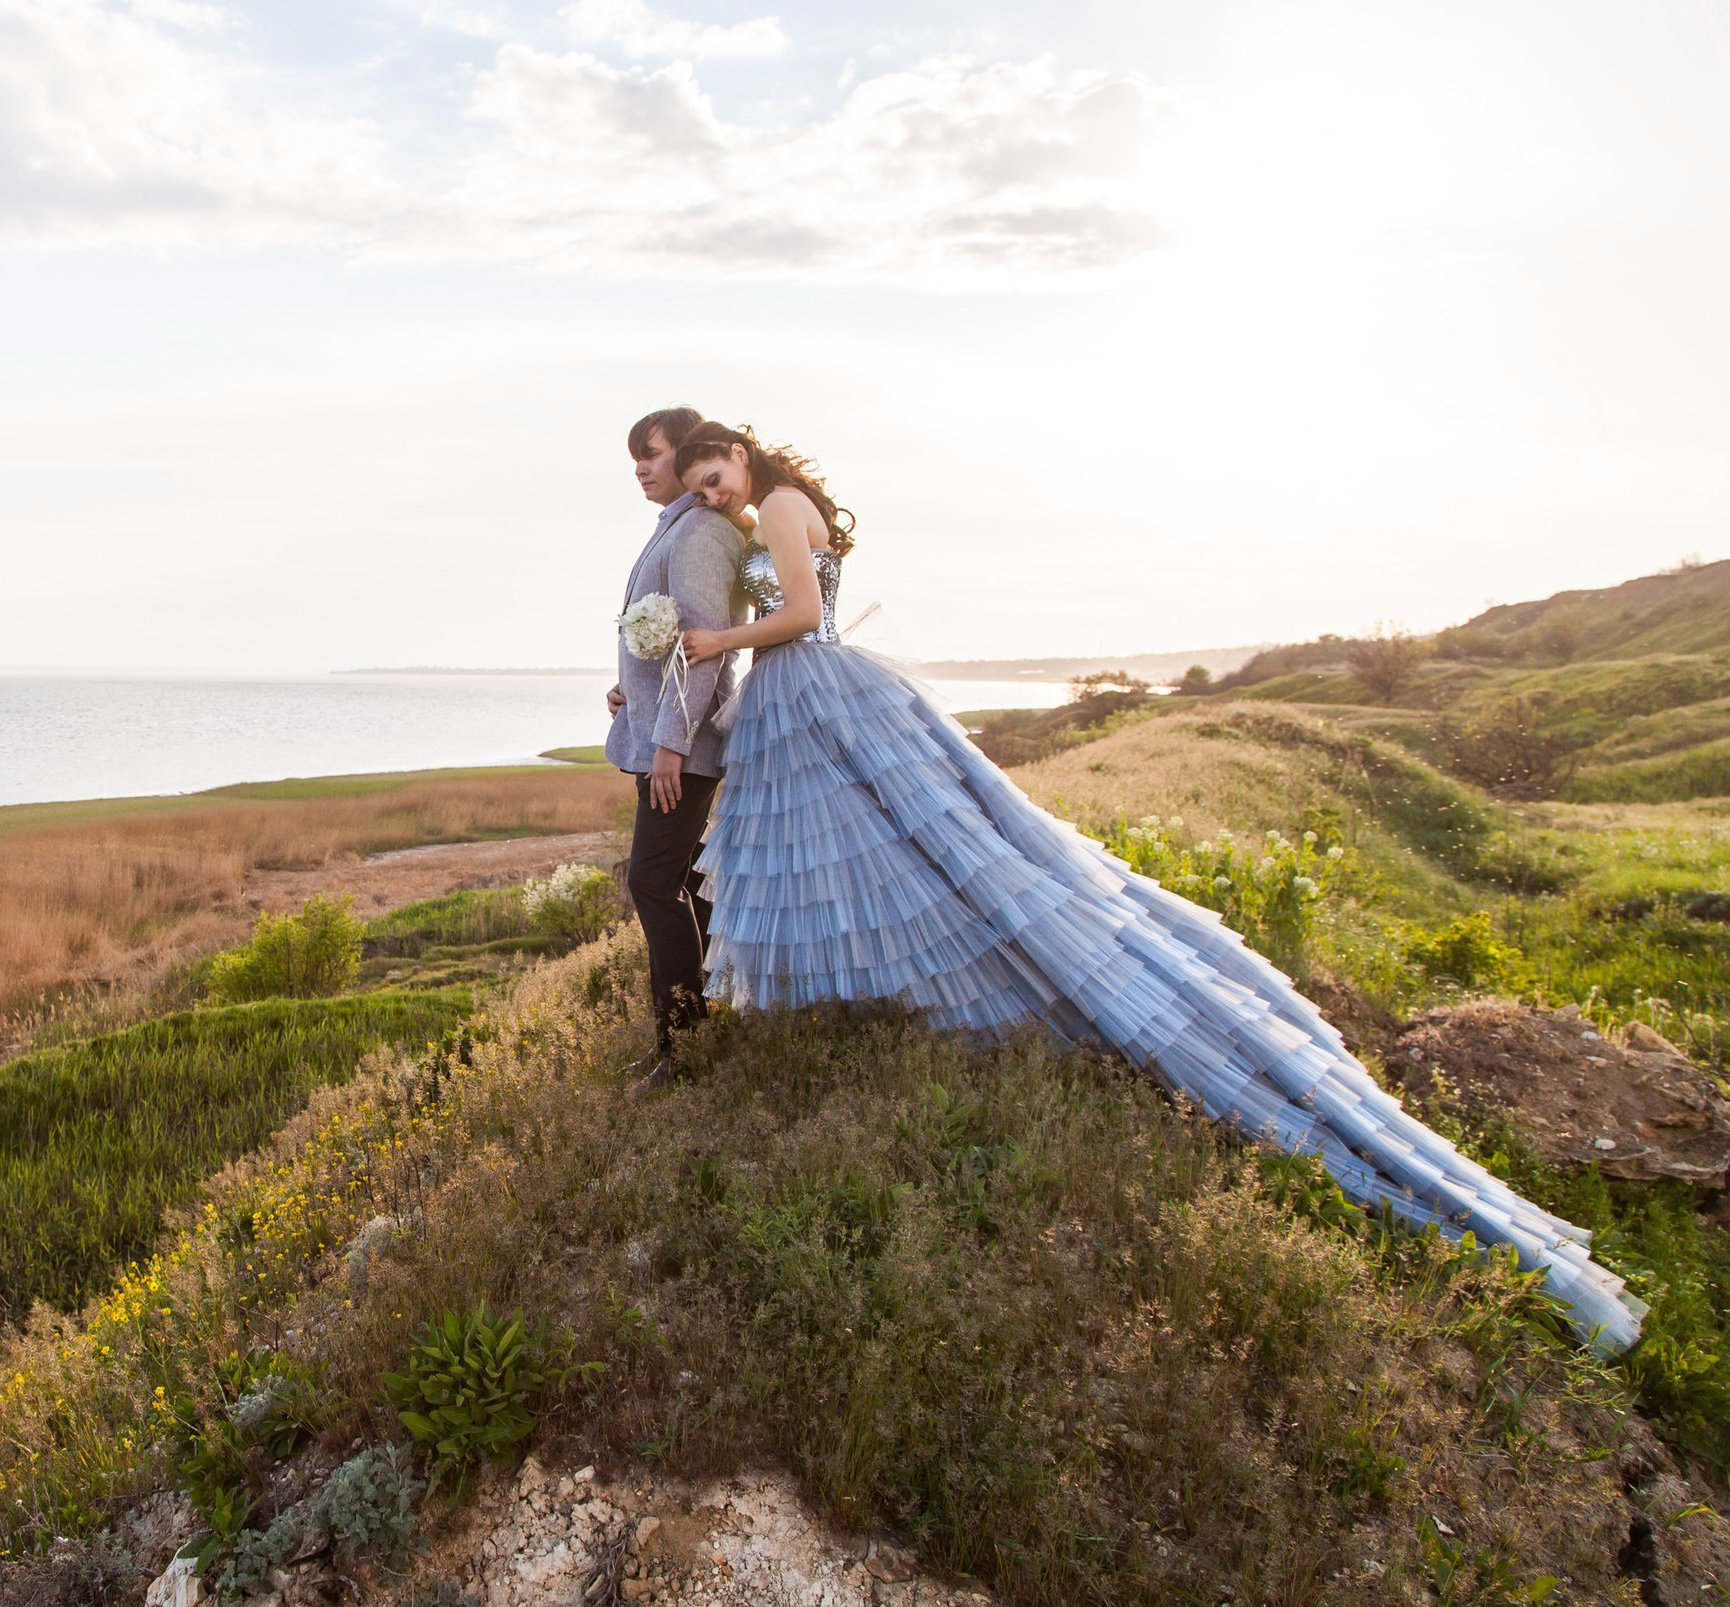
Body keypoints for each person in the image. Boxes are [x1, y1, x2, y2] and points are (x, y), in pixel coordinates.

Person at [668, 419, 1645, 1355]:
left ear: (744, 458)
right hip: (792, 705)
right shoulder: (769, 514)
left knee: (915, 857)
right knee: (850, 863)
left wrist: (717, 645)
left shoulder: (787, 504)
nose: (715, 497)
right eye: (701, 489)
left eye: (716, 478)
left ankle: (891, 1011)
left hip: (814, 686)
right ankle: (848, 1018)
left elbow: (800, 617)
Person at [604, 406, 749, 1087]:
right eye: (634, 454)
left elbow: (704, 648)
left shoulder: (698, 531)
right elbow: (662, 639)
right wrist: (629, 687)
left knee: (652, 881)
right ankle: (703, 1029)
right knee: (687, 882)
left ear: (685, 454)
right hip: (662, 733)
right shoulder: (676, 527)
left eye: (651, 454)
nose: (639, 466)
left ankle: (682, 1050)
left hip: (678, 748)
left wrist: (668, 743)